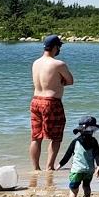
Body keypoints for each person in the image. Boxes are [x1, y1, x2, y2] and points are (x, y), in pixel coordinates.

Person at [30, 35, 74, 172]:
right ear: (55, 47)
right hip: (51, 102)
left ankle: (36, 168)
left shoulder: (35, 63)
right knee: (56, 137)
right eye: (59, 46)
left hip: (35, 100)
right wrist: (60, 82)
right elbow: (70, 80)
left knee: (36, 137)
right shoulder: (58, 64)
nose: (59, 48)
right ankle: (49, 167)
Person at [57, 115, 99, 197]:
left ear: (80, 130)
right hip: (89, 170)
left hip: (77, 170)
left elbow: (67, 155)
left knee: (73, 190)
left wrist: (60, 165)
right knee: (86, 186)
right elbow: (97, 155)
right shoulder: (94, 142)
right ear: (93, 130)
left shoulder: (75, 142)